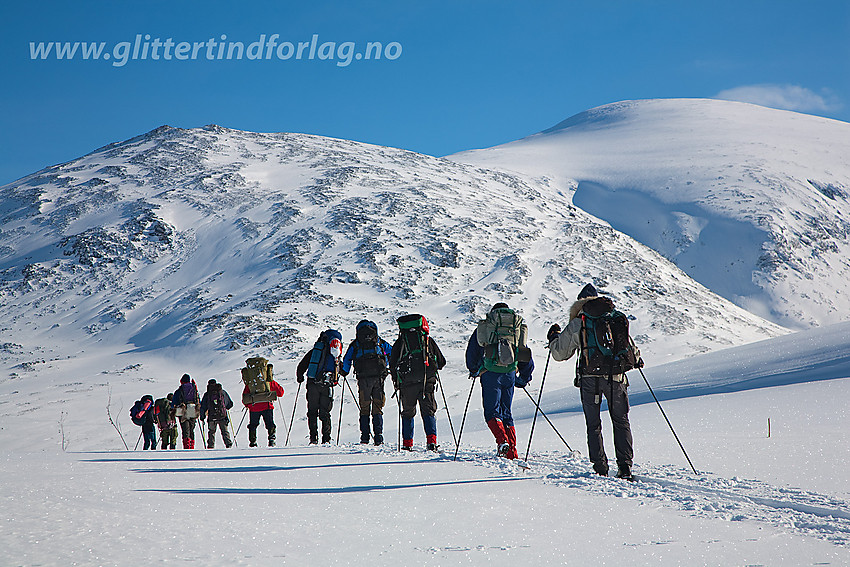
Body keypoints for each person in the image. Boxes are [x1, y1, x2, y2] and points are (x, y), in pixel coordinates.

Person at [547, 283, 642, 480]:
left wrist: (553, 339)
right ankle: (625, 467)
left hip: (590, 379)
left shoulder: (579, 322)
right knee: (621, 421)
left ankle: (600, 467)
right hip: (616, 377)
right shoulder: (613, 318)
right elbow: (631, 348)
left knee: (594, 423)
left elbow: (559, 354)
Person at [465, 303, 534, 460]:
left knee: (492, 412)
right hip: (509, 373)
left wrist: (474, 370)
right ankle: (512, 452)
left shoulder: (486, 328)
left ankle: (502, 442)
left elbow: (472, 352)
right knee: (506, 412)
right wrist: (523, 378)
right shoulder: (514, 329)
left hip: (490, 373)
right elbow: (524, 353)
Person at [388, 314, 446, 451]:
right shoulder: (427, 340)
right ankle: (431, 442)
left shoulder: (400, 342)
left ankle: (407, 444)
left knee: (408, 413)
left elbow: (392, 364)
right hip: (427, 381)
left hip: (407, 383)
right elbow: (441, 362)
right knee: (428, 411)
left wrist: (396, 381)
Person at [340, 320, 393, 445]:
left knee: (364, 408)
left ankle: (365, 437)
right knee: (378, 407)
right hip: (379, 378)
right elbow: (392, 352)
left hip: (363, 379)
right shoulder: (379, 341)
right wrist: (387, 366)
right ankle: (378, 436)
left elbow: (347, 359)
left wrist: (344, 371)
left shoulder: (356, 344)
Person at [296, 329, 343, 445]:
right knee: (325, 413)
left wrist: (300, 377)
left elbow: (302, 365)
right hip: (327, 386)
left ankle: (313, 438)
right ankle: (326, 438)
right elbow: (341, 369)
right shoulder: (335, 354)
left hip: (312, 384)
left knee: (312, 412)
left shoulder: (315, 351)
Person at [242, 371, 285, 447]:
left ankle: (253, 442)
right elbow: (281, 393)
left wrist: (248, 405)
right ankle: (271, 440)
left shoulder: (251, 383)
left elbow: (245, 397)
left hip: (254, 407)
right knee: (270, 424)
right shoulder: (269, 382)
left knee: (253, 425)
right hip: (267, 406)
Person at [200, 379, 234, 449]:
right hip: (222, 416)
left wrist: (202, 416)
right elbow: (230, 404)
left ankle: (211, 446)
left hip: (212, 416)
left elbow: (203, 406)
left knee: (211, 432)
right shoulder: (222, 392)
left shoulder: (207, 394)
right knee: (224, 431)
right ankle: (228, 444)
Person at [171, 374, 201, 449]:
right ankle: (192, 446)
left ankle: (187, 446)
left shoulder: (179, 390)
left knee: (185, 430)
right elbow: (198, 400)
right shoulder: (194, 389)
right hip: (193, 410)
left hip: (183, 411)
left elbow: (174, 402)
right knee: (191, 429)